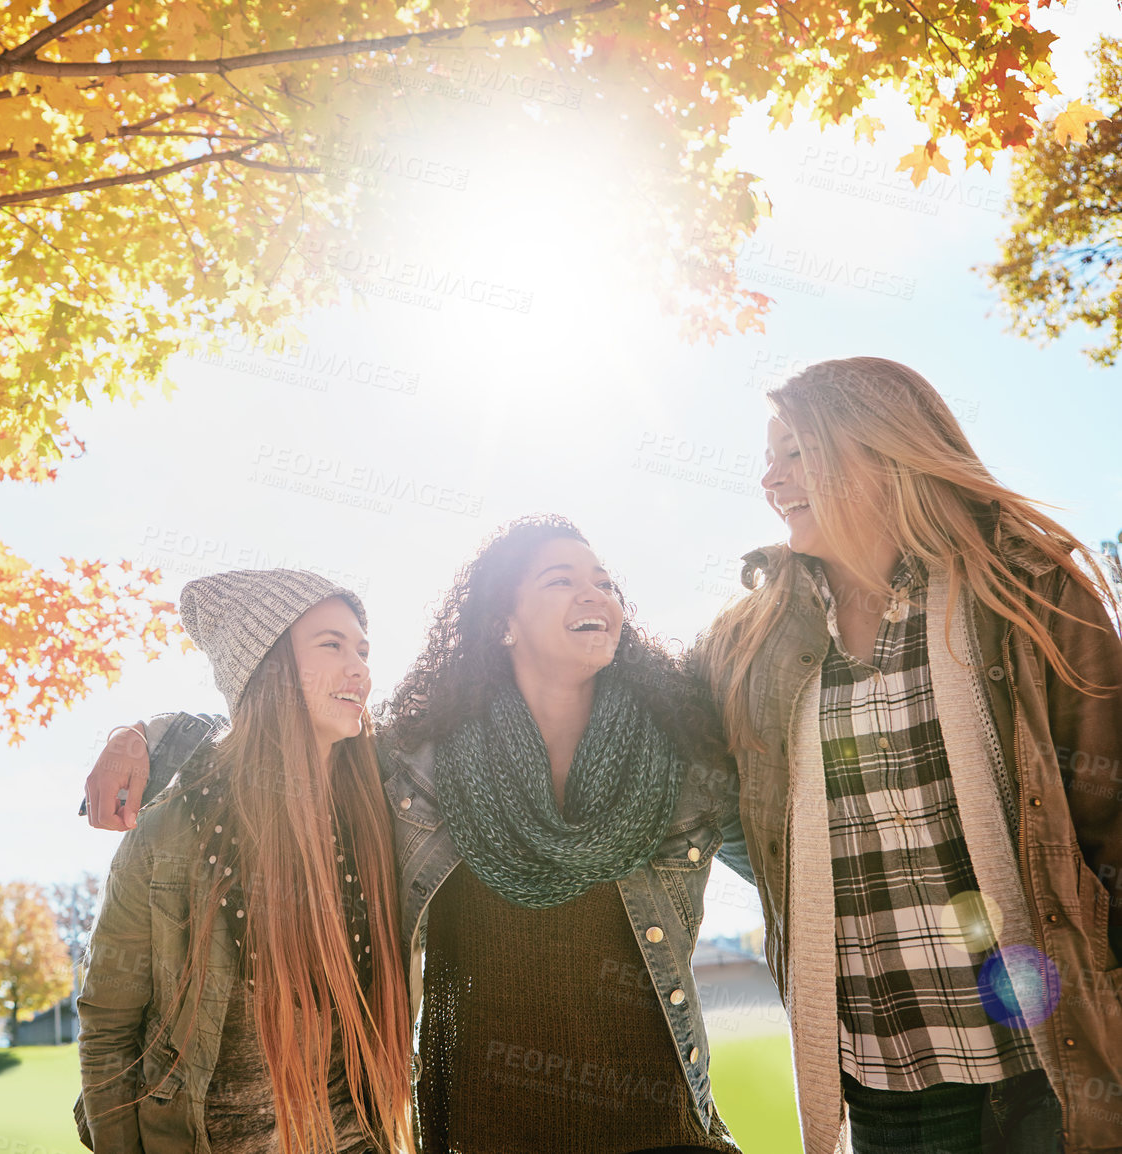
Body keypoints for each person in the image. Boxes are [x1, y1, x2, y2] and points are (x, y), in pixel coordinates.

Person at [86, 517, 748, 1154]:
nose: (596, 593)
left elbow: (792, 848)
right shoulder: (426, 766)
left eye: (605, 581)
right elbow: (270, 741)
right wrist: (143, 735)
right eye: (559, 579)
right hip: (478, 1134)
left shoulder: (680, 765)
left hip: (655, 1129)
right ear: (502, 624)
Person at [695, 356, 1122, 1154]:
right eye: (767, 457)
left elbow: (1108, 816)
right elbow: (724, 810)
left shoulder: (1028, 591)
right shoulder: (746, 643)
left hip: (1051, 1062)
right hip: (886, 1076)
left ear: (884, 454)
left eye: (795, 452)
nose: (770, 478)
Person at [75, 569, 414, 1154]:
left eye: (363, 649)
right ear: (267, 668)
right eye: (330, 645)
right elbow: (108, 1028)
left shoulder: (387, 804)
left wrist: (138, 731)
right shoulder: (171, 830)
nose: (359, 667)